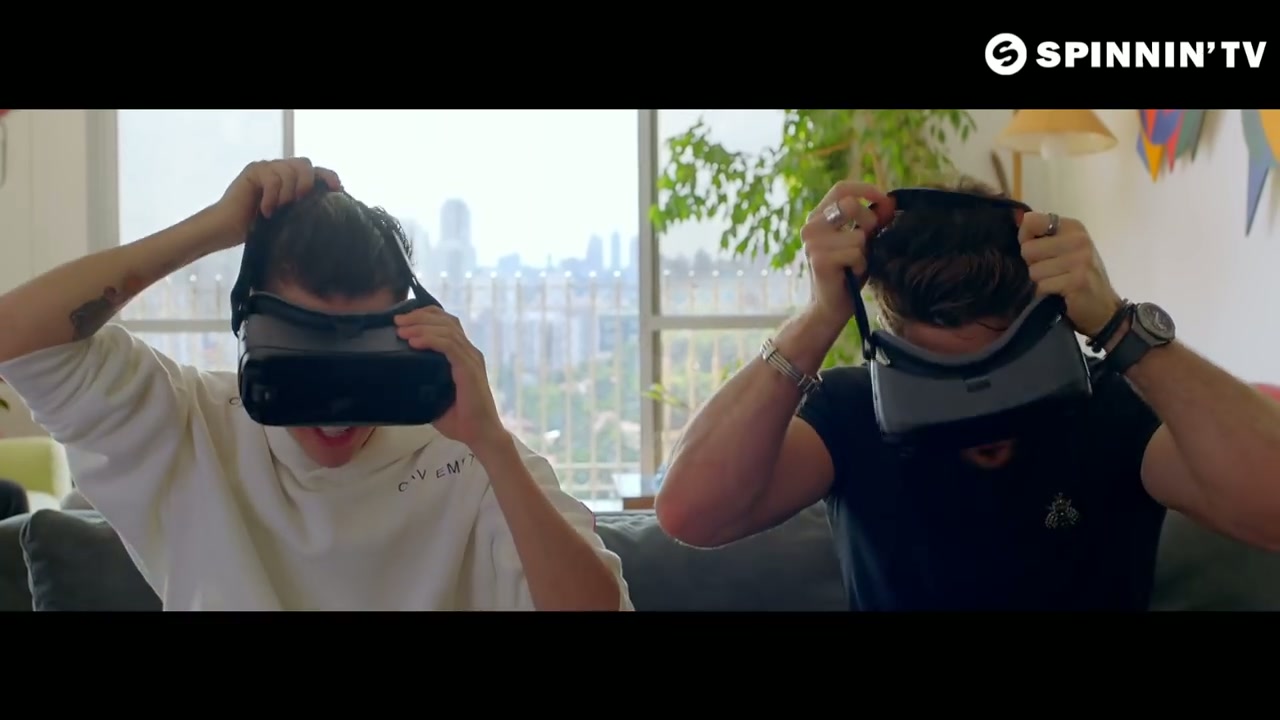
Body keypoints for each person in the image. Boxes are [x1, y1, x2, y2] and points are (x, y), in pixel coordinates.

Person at [0, 158, 631, 611]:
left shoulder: (473, 458)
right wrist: (215, 227)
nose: (337, 409)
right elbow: (13, 335)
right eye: (306, 357)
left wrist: (491, 443)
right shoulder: (188, 425)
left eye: (362, 357)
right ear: (251, 335)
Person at [654, 178, 1280, 611]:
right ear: (890, 338)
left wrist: (1119, 325)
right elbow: (690, 513)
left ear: (1045, 323)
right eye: (935, 377)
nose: (974, 413)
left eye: (1002, 373)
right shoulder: (852, 411)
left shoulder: (1109, 405)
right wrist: (821, 317)